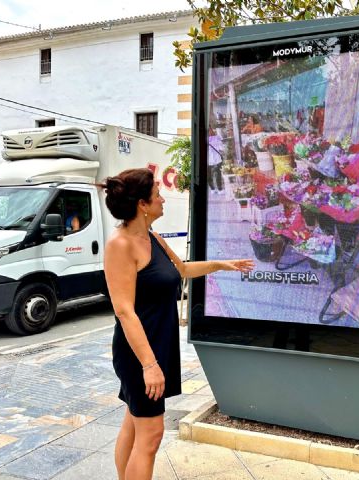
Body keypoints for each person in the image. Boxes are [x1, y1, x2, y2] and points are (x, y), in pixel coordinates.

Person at [101, 168, 254, 480]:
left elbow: (182, 269)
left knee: (135, 422)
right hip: (139, 352)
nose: (163, 200)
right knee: (152, 434)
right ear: (142, 204)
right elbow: (124, 311)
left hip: (159, 343)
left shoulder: (151, 237)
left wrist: (222, 265)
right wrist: (148, 365)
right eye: (158, 195)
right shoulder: (121, 244)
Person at [208, 127, 224, 194]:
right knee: (216, 175)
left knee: (212, 175)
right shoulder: (216, 137)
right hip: (215, 159)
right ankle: (217, 189)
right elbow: (222, 148)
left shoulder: (216, 137)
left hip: (213, 159)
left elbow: (221, 148)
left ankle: (214, 189)